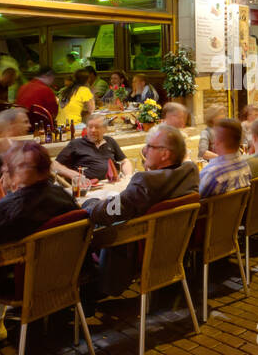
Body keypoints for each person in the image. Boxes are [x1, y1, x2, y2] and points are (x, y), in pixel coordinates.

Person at [0, 142, 79, 343]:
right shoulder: (62, 195)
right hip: (64, 277)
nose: (5, 171)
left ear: (23, 171)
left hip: (18, 284)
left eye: (10, 167)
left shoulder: (12, 207)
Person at [82, 124, 198, 302]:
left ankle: (87, 299)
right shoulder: (189, 172)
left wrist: (89, 204)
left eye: (150, 146)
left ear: (165, 154)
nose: (144, 150)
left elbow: (107, 212)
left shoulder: (145, 183)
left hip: (135, 257)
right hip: (172, 251)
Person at [53, 112, 132, 183]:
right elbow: (54, 165)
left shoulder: (110, 141)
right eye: (90, 127)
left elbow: (124, 162)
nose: (93, 130)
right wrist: (72, 174)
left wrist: (128, 176)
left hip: (111, 184)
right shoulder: (76, 144)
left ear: (105, 129)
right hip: (88, 187)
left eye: (97, 127)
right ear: (86, 128)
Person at [199, 118, 252, 196]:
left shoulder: (212, 174)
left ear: (217, 142)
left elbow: (197, 200)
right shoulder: (246, 166)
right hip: (238, 208)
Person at [0, 108, 31, 189]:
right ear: (13, 125)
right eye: (25, 122)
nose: (29, 125)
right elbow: (1, 184)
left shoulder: (27, 145)